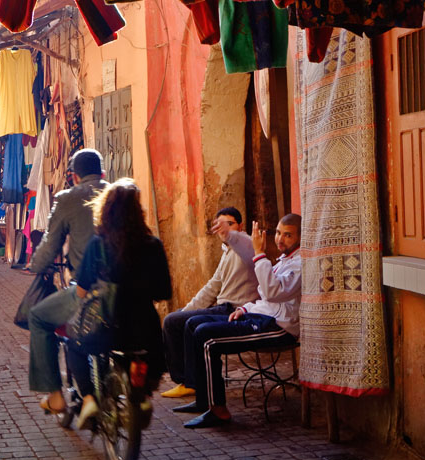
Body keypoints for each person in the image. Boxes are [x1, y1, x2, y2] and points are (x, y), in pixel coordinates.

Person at [30, 179, 172, 429]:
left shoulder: (99, 244)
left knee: (74, 343)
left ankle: (87, 397)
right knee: (148, 361)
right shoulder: (154, 246)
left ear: (106, 210)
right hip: (144, 330)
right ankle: (143, 397)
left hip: (106, 327)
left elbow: (83, 289)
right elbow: (163, 292)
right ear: (139, 211)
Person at [174, 214, 302, 428]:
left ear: (300, 237)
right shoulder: (283, 261)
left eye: (288, 235)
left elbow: (272, 291)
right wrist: (245, 308)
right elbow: (264, 298)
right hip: (261, 316)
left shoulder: (300, 264)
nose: (280, 239)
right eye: (279, 233)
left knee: (207, 337)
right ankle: (203, 401)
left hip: (279, 327)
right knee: (193, 324)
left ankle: (218, 410)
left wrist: (259, 253)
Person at [25, 150, 107, 413]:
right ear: (103, 173)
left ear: (73, 176)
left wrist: (36, 265)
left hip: (87, 288)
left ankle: (55, 395)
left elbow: (51, 244)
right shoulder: (119, 192)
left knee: (38, 317)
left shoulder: (68, 198)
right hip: (126, 285)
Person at [160, 207, 258, 399]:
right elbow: (212, 287)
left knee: (177, 322)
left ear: (240, 226)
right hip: (221, 308)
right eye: (221, 225)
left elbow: (245, 245)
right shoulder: (227, 252)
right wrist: (187, 309)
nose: (224, 230)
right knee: (175, 319)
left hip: (237, 311)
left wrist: (229, 233)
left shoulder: (247, 246)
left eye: (230, 225)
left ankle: (190, 382)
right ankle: (187, 380)